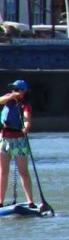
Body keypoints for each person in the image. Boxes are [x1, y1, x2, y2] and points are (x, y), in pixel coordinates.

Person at [0, 79, 34, 208]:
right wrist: (11, 96)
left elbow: (26, 118)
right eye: (13, 89)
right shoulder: (8, 99)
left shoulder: (25, 105)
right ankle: (0, 201)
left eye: (17, 89)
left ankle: (30, 201)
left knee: (23, 171)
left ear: (24, 91)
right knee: (3, 171)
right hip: (5, 139)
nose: (14, 91)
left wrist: (26, 127)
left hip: (19, 139)